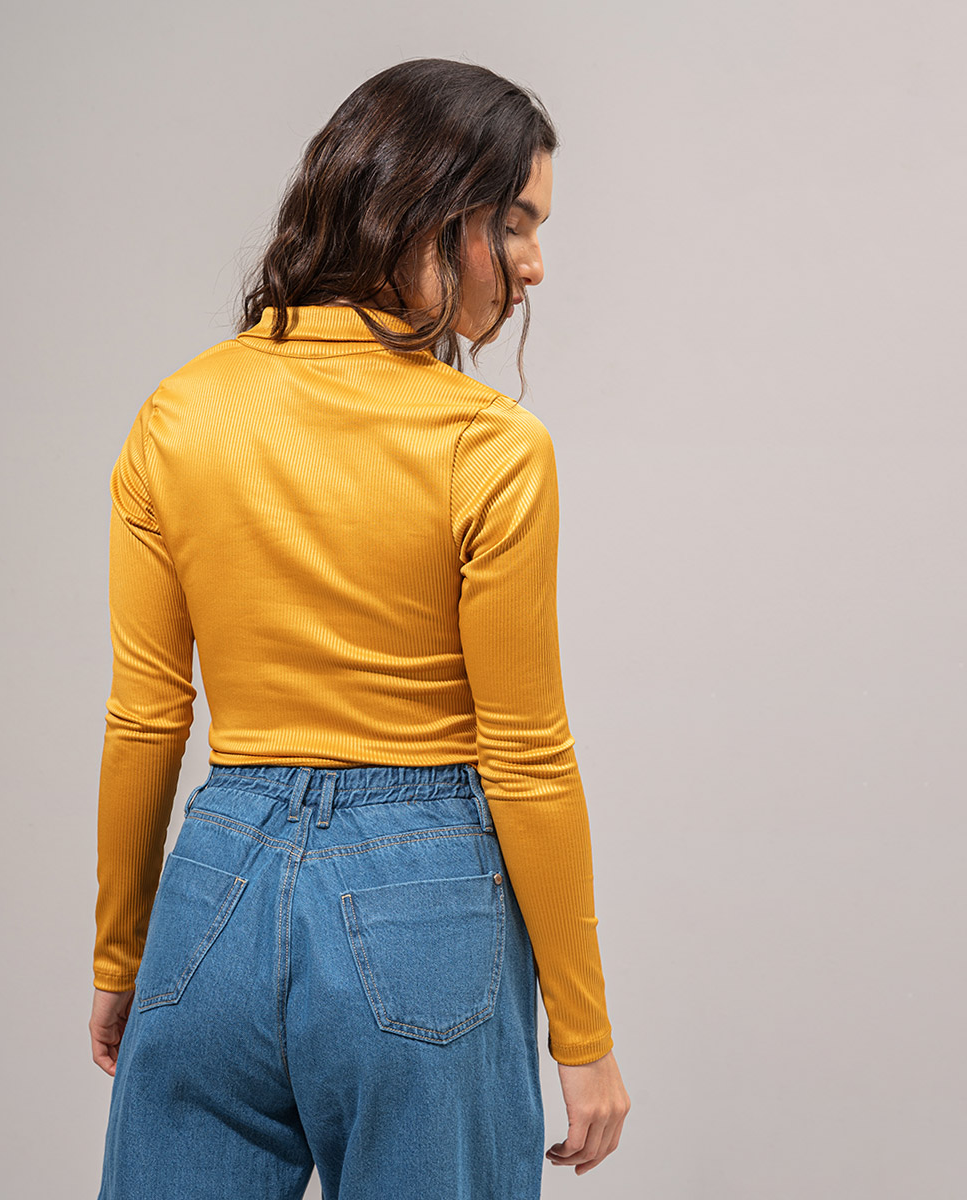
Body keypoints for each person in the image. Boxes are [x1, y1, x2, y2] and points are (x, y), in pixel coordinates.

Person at [88, 56, 630, 1198]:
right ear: (432, 209)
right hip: (422, 904)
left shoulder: (179, 413)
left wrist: (122, 953)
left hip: (211, 896)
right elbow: (526, 753)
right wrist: (583, 1034)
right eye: (516, 223)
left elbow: (147, 714)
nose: (535, 263)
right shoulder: (489, 446)